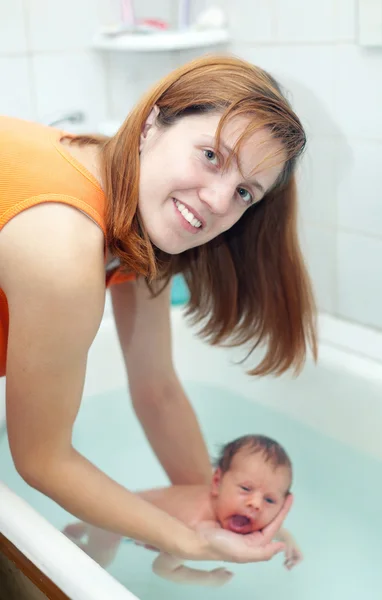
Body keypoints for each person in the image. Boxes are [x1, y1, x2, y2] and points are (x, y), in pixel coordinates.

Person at [0, 54, 316, 563]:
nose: (217, 201)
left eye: (243, 192)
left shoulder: (135, 210)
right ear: (152, 123)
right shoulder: (61, 243)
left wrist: (219, 514)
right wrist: (187, 540)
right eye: (212, 155)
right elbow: (41, 459)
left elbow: (157, 388)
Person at [63, 435, 302, 587]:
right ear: (217, 482)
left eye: (270, 500)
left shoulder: (230, 506)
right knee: (98, 559)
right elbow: (161, 569)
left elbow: (260, 522)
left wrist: (287, 539)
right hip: (113, 522)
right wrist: (206, 579)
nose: (256, 504)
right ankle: (69, 543)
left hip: (139, 499)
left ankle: (82, 526)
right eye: (246, 488)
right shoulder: (196, 526)